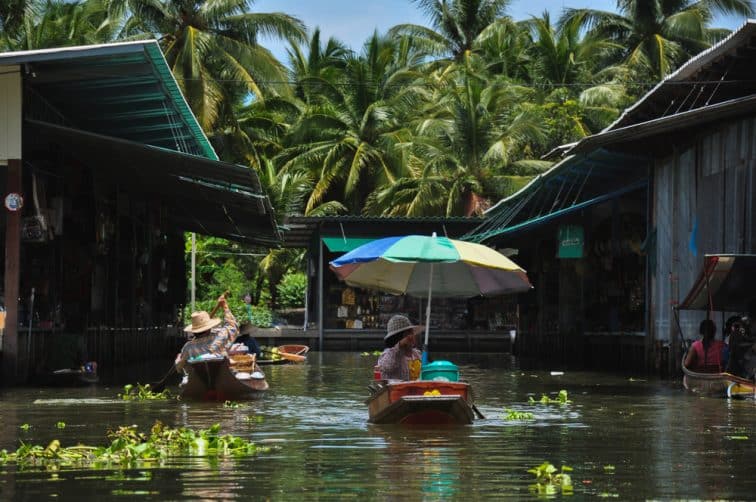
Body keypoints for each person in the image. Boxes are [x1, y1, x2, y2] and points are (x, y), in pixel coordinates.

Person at [175, 293, 238, 372]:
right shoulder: (220, 338)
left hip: (198, 380)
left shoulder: (188, 347)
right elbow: (232, 326)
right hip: (220, 376)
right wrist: (225, 306)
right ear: (208, 328)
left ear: (194, 331)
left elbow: (179, 367)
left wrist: (178, 359)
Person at [376, 314, 424, 381]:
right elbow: (386, 367)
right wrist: (399, 346)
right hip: (396, 390)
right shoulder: (389, 354)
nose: (411, 336)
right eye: (407, 334)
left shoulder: (417, 354)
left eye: (411, 333)